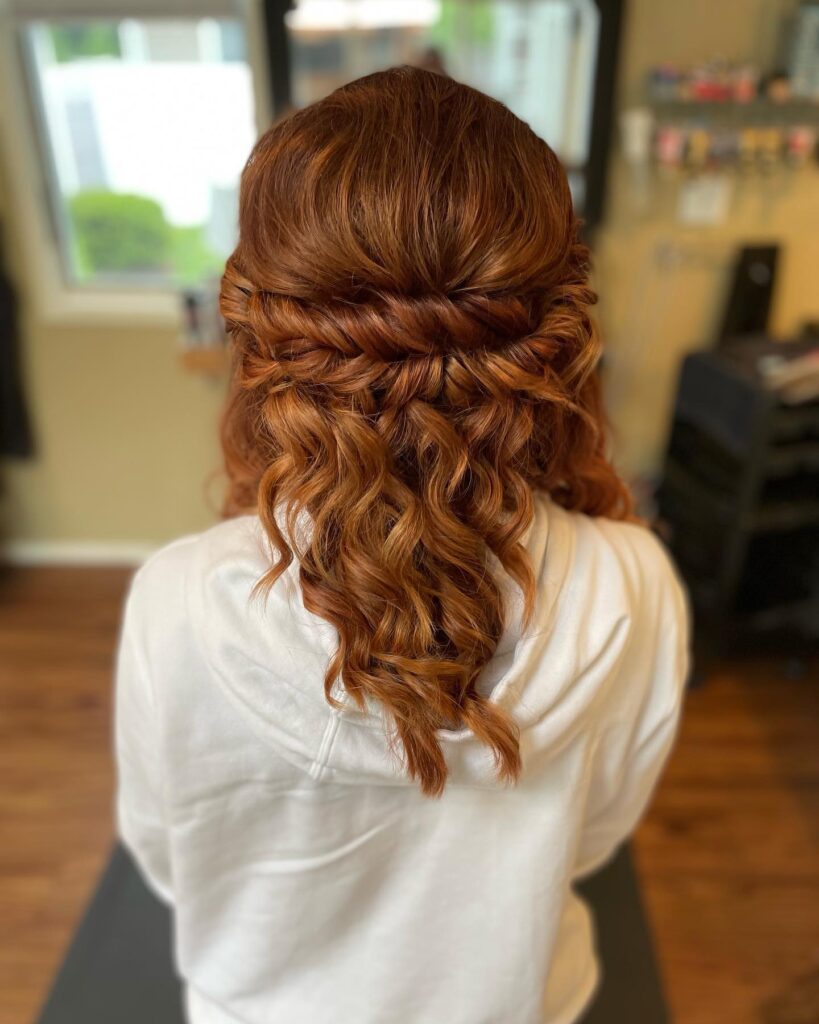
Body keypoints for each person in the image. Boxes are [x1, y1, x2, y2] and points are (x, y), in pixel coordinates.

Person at [115, 66, 689, 1024]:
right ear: (560, 339)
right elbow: (592, 841)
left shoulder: (176, 603)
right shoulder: (634, 585)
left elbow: (168, 858)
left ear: (260, 339)